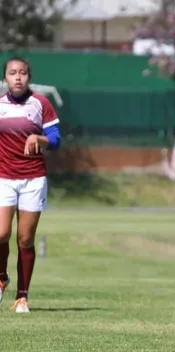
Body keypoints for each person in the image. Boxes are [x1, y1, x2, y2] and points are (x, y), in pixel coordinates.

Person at [0, 57, 61, 313]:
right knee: (1, 234)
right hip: (3, 177)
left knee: (25, 239)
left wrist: (40, 138)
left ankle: (22, 296)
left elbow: (56, 140)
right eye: (12, 73)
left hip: (33, 179)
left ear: (29, 77)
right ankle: (1, 277)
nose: (17, 77)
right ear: (5, 78)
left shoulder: (40, 104)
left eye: (22, 73)